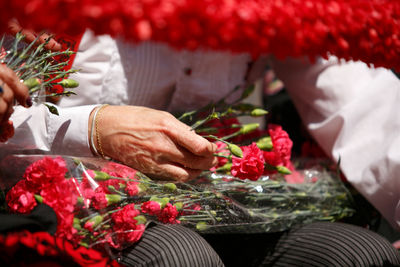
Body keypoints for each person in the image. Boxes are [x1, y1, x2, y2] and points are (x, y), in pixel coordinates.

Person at [3, 29, 400, 266]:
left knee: (356, 254)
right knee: (180, 258)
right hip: (56, 201)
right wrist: (94, 129)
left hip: (215, 204)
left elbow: (360, 100)